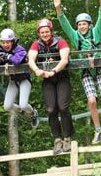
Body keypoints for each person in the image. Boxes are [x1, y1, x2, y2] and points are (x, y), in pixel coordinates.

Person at [53, 0, 101, 144]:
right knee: (91, 101)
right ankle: (98, 130)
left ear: (89, 25)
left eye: (84, 24)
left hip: (99, 69)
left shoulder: (95, 33)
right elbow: (65, 24)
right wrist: (58, 8)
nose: (82, 26)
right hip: (86, 72)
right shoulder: (76, 37)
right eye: (79, 24)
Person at [28, 19, 74, 154]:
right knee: (51, 109)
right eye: (42, 32)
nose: (45, 34)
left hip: (61, 77)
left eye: (47, 32)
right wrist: (37, 70)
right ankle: (57, 139)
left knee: (63, 107)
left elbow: (64, 59)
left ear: (51, 32)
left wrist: (54, 71)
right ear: (39, 33)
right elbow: (30, 59)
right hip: (47, 79)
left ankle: (67, 137)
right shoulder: (36, 44)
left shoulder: (60, 41)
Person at [0, 28, 39, 129]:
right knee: (7, 106)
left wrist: (7, 56)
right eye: (3, 42)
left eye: (8, 42)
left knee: (23, 104)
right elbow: (0, 64)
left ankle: (33, 113)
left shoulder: (20, 49)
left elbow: (17, 60)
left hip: (24, 79)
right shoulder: (2, 51)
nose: (5, 45)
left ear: (12, 41)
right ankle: (21, 110)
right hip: (13, 80)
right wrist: (0, 59)